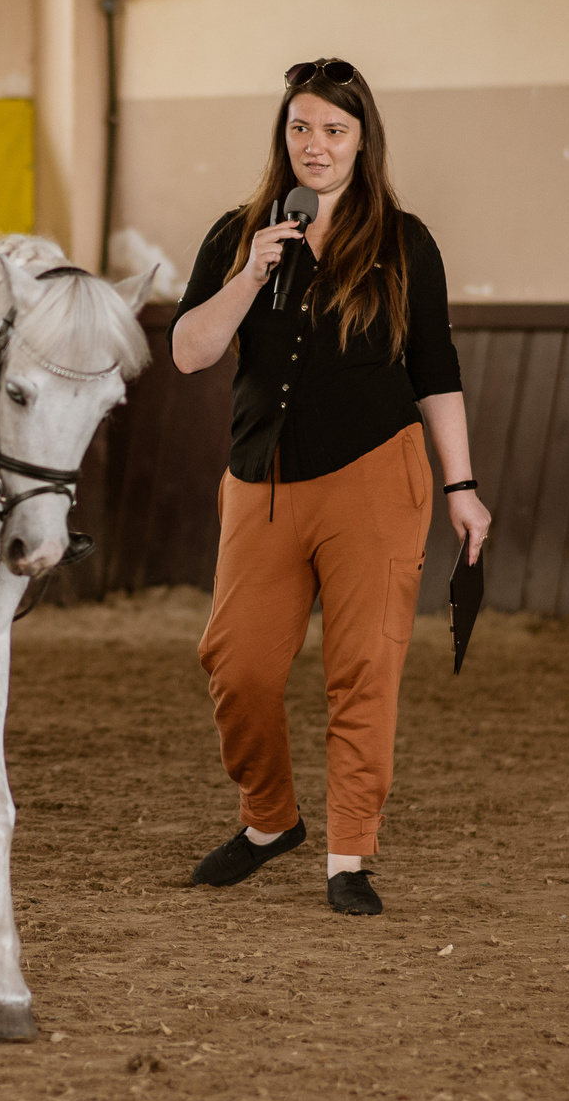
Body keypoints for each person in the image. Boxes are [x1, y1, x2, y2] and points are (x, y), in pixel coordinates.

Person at [171, 59, 491, 915]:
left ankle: (350, 853)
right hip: (262, 479)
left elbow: (436, 370)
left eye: (335, 131)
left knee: (364, 667)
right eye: (301, 128)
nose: (316, 146)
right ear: (284, 135)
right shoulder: (238, 234)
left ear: (362, 140)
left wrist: (462, 485)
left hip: (376, 475)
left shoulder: (405, 241)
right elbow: (190, 352)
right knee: (237, 664)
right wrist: (251, 272)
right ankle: (270, 820)